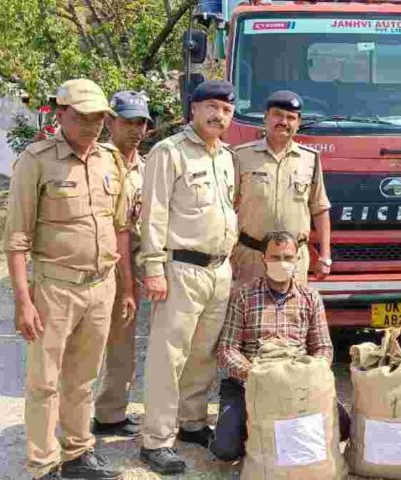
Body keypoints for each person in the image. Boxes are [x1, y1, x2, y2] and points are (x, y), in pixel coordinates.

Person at [2, 79, 132, 479]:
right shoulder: (36, 160)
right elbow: (16, 239)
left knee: (82, 379)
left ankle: (78, 453)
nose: (92, 125)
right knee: (44, 382)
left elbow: (121, 227)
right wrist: (24, 301)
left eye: (98, 118)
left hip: (101, 286)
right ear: (60, 114)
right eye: (82, 117)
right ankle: (43, 464)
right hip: (55, 289)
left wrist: (126, 288)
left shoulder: (111, 160)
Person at [137, 80, 238, 474]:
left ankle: (192, 423)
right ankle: (156, 440)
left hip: (218, 270)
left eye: (227, 110)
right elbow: (154, 215)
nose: (219, 115)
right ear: (193, 109)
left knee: (202, 355)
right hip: (180, 269)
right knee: (168, 357)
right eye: (211, 107)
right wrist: (153, 270)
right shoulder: (169, 152)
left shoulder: (226, 156)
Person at [211, 231, 348, 461]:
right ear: (263, 259)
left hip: (298, 384)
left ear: (297, 260)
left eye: (288, 257)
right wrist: (252, 373)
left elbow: (323, 348)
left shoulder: (310, 298)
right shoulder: (244, 297)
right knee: (226, 449)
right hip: (251, 385)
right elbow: (227, 349)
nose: (281, 263)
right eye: (274, 257)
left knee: (343, 425)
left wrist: (308, 373)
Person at [92, 90, 152, 438]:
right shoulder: (97, 160)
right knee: (87, 345)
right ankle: (72, 427)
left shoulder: (144, 168)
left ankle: (110, 414)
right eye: (128, 121)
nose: (137, 129)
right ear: (110, 122)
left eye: (142, 122)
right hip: (99, 263)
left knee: (122, 342)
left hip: (132, 262)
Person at [231, 90, 332, 287]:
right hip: (252, 257)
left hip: (294, 260)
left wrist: (325, 256)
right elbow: (227, 207)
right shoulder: (241, 156)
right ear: (266, 117)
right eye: (277, 115)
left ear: (298, 122)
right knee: (252, 316)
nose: (284, 122)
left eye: (291, 118)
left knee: (292, 316)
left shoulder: (310, 159)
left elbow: (320, 208)